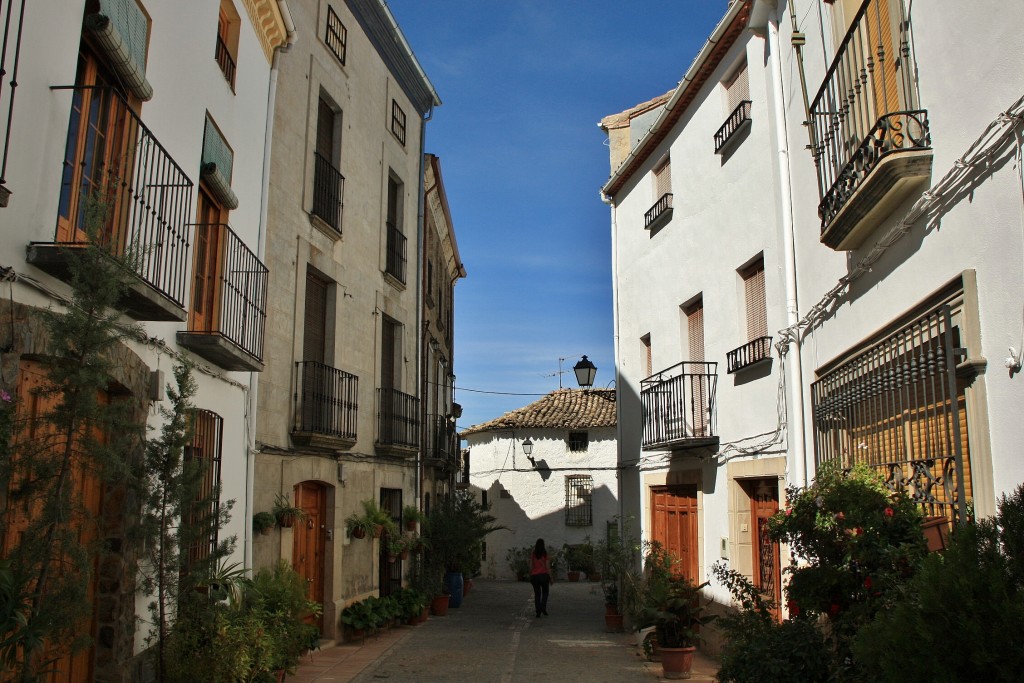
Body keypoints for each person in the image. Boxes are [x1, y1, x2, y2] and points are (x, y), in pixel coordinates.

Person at [529, 538, 551, 618]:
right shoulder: (545, 554)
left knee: (537, 594)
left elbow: (531, 566)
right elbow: (548, 567)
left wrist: (530, 575)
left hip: (535, 576)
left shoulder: (533, 554)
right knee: (545, 593)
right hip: (544, 576)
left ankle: (538, 611)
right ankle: (543, 608)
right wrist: (551, 577)